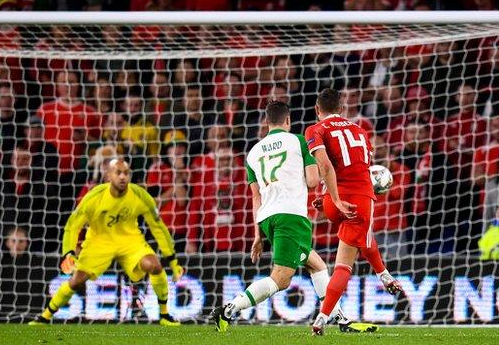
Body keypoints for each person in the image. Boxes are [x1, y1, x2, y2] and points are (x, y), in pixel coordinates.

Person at [210, 101, 377, 333]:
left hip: (268, 217)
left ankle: (340, 319)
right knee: (281, 278)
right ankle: (229, 309)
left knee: (317, 265)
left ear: (267, 122)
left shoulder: (254, 152)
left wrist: (258, 234)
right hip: (291, 215)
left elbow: (255, 197)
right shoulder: (299, 140)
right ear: (288, 120)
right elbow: (311, 181)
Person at [28, 159, 184, 326]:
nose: (123, 177)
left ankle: (165, 315)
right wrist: (68, 253)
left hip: (130, 241)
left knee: (154, 266)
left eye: (126, 173)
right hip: (98, 241)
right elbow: (73, 225)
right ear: (109, 175)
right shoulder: (95, 196)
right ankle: (45, 316)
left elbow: (158, 227)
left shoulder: (140, 195)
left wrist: (173, 260)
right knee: (76, 281)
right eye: (118, 173)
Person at [306, 89, 401, 335]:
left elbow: (326, 166)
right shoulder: (360, 131)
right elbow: (361, 169)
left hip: (330, 199)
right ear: (342, 108)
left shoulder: (315, 129)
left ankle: (385, 276)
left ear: (318, 110)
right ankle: (323, 317)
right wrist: (339, 200)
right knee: (343, 265)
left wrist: (330, 200)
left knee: (363, 237)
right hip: (357, 198)